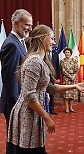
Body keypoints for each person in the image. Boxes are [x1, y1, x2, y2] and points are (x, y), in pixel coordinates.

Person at [7, 24, 84, 154]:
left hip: (35, 112)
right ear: (43, 39)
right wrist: (47, 118)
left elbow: (49, 88)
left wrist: (74, 86)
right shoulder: (34, 62)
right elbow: (29, 96)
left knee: (37, 149)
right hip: (28, 113)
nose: (54, 42)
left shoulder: (41, 61)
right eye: (52, 39)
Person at [0, 9, 33, 153]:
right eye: (26, 25)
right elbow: (10, 79)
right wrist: (18, 105)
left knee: (19, 139)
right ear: (15, 23)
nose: (29, 28)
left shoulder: (19, 42)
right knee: (14, 141)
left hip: (19, 100)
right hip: (15, 103)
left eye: (30, 25)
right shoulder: (11, 44)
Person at [60, 47, 78, 113]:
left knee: (72, 94)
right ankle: (67, 108)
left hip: (73, 79)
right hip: (66, 79)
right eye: (66, 52)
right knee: (66, 95)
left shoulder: (74, 60)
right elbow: (63, 70)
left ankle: (71, 108)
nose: (67, 53)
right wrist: (69, 76)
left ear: (71, 53)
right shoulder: (62, 61)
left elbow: (76, 69)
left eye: (68, 52)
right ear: (64, 53)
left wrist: (73, 76)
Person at [48, 46, 60, 115]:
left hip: (53, 77)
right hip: (45, 76)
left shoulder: (55, 53)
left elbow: (57, 66)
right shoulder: (44, 53)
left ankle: (51, 109)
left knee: (52, 93)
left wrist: (57, 77)